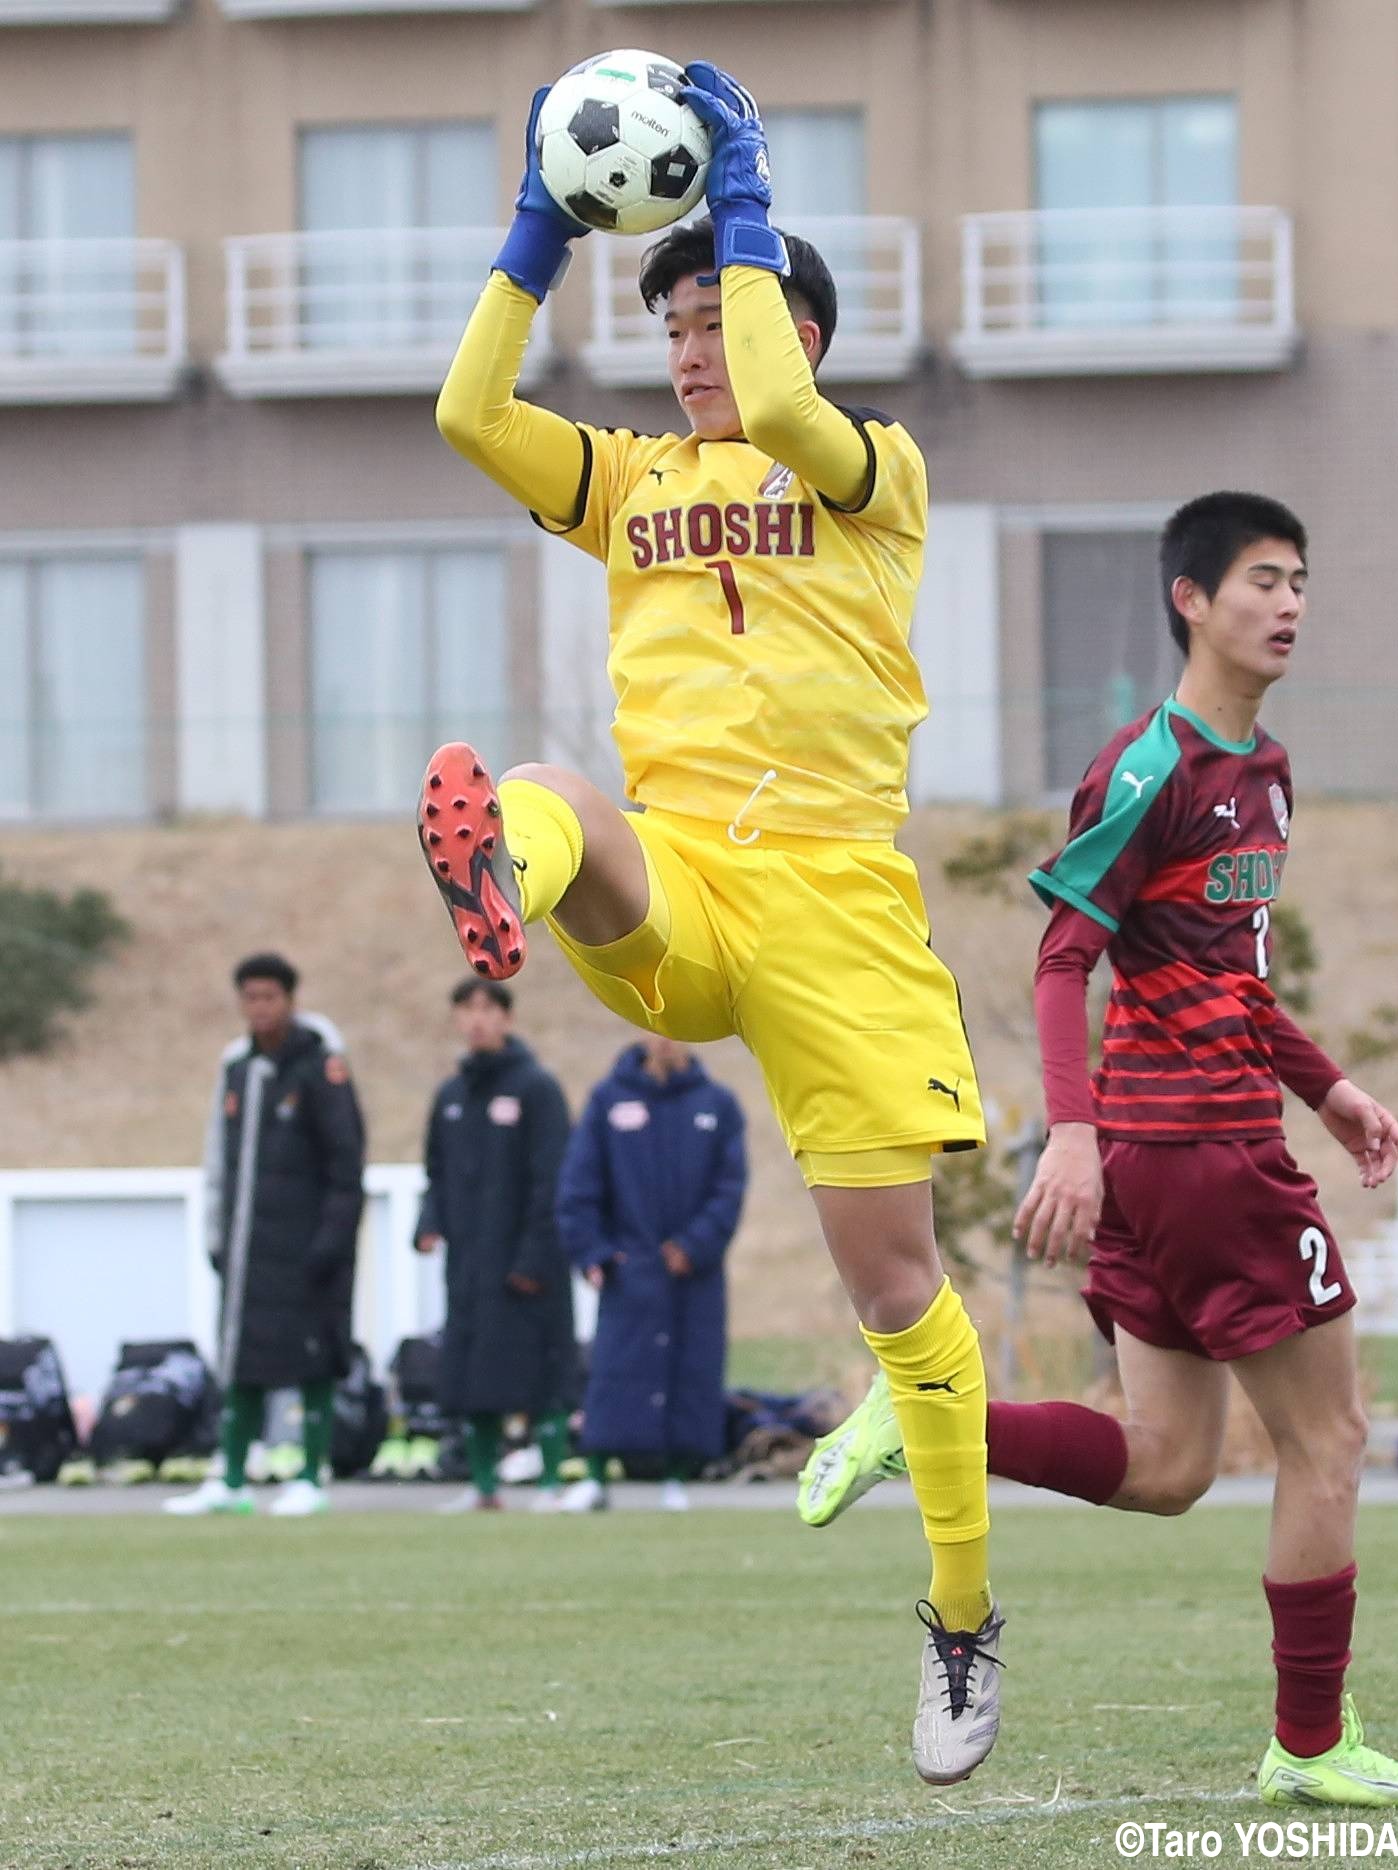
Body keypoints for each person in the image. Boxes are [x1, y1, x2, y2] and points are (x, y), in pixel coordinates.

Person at [419, 60, 999, 1784]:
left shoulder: (867, 470)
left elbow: (772, 388)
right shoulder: (622, 483)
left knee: (897, 1293)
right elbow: (467, 415)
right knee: (547, 789)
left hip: (838, 903)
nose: (689, 353)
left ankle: (960, 1625)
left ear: (796, 336)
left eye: (717, 320)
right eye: (667, 324)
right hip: (686, 880)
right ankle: (495, 882)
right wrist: (532, 237)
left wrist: (743, 188)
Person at [797, 492, 1398, 1806]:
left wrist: (1329, 1087)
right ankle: (1305, 1747)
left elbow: (1226, 981)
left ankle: (919, 1419)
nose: (1287, 602)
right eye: (1259, 578)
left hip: (1183, 1150)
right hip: (1197, 1156)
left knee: (1167, 1463)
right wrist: (1067, 1133)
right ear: (1188, 597)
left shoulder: (1265, 773)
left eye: (1298, 579)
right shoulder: (1150, 765)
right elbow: (1064, 953)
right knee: (1330, 1437)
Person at [166, 952, 364, 1519]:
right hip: (250, 1245)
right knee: (242, 1360)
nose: (259, 1008)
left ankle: (310, 1474)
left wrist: (332, 1239)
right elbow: (218, 1159)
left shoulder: (321, 1069)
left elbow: (346, 1163)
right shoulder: (238, 1069)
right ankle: (231, 1477)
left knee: (313, 1360)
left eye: (269, 997)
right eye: (250, 997)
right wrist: (217, 1234)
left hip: (307, 1248)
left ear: (290, 1001)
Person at [555, 1033, 746, 1513]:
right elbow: (579, 1184)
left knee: (689, 1369)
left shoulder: (717, 1105)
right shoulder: (608, 1099)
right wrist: (594, 1252)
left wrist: (694, 1245)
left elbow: (730, 1189)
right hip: (629, 1269)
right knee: (616, 1371)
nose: (665, 1039)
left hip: (692, 1274)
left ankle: (677, 1476)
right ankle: (597, 1475)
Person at [415, 978, 574, 1513]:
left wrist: (534, 1256)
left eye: (487, 1008)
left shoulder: (537, 1089)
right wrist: (429, 1222)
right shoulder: (451, 1096)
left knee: (539, 1374)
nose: (477, 1020)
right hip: (469, 1262)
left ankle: (551, 1483)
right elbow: (435, 1171)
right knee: (473, 1374)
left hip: (526, 1265)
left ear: (507, 1018)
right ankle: (484, 1487)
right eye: (466, 1010)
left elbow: (553, 1179)